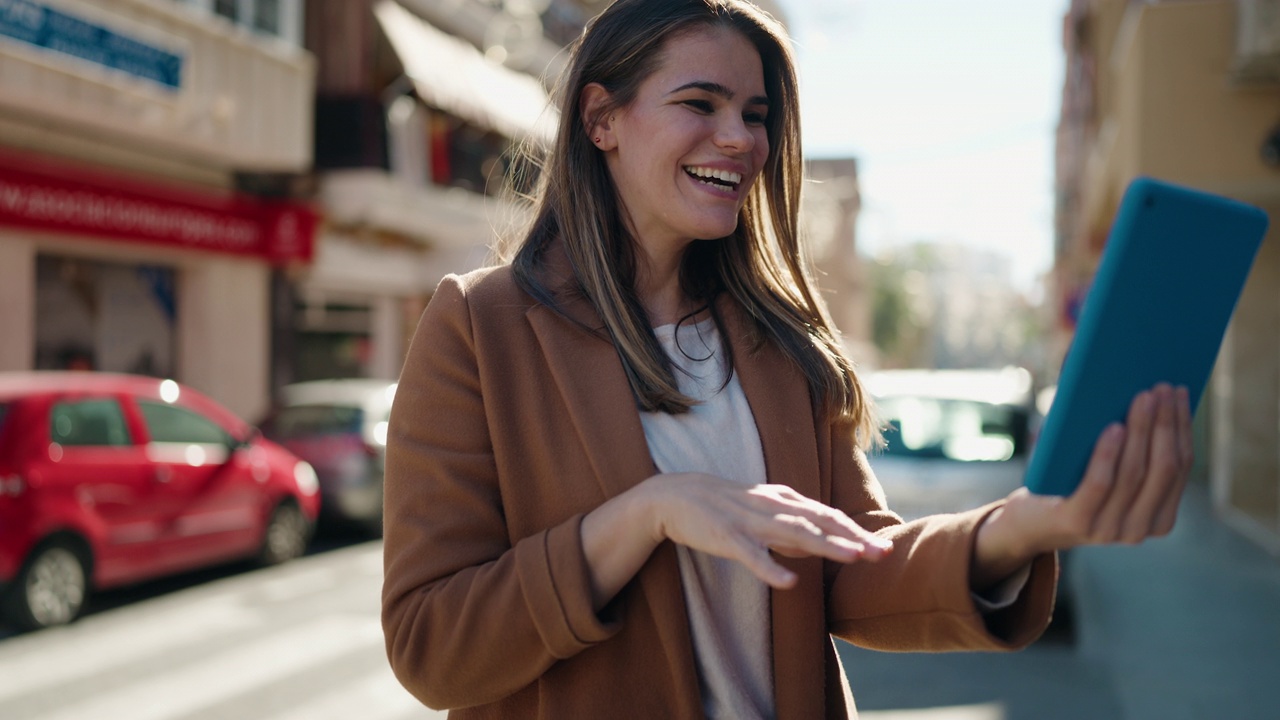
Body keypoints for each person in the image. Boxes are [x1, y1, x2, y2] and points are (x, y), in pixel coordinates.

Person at [381, 1, 1192, 717]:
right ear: (602, 119)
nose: (738, 138)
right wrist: (644, 514)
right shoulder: (481, 327)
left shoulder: (777, 336)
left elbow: (855, 567)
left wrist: (1019, 528)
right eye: (700, 102)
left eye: (756, 113)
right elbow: (430, 645)